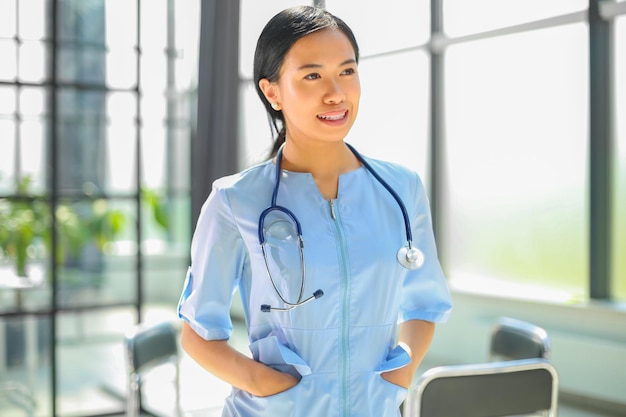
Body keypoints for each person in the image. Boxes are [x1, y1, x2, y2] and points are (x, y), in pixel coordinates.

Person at [177, 5, 452, 417]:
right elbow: (198, 334)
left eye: (347, 71)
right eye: (312, 75)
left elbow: (424, 303)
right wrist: (263, 384)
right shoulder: (236, 201)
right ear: (272, 92)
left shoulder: (401, 188)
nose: (336, 93)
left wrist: (405, 366)